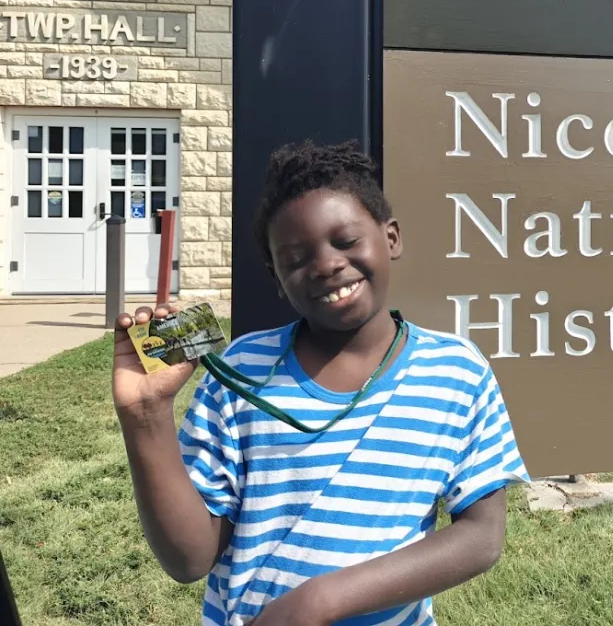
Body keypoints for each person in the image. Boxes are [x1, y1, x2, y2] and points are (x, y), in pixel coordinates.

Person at [111, 140, 529, 626]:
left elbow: (481, 536)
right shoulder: (243, 370)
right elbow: (189, 560)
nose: (327, 264)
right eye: (295, 258)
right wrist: (145, 418)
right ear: (276, 277)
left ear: (391, 237)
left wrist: (321, 599)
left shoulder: (457, 372)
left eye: (346, 241)